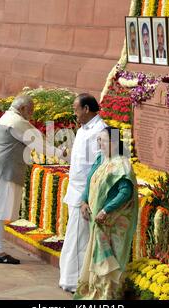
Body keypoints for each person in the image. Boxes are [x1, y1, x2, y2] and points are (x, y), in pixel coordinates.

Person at [0, 95, 51, 264]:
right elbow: (38, 142)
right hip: (4, 171)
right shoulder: (16, 121)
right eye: (30, 110)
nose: (31, 114)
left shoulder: (8, 117)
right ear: (23, 108)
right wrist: (62, 154)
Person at [74, 127, 138, 300]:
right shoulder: (101, 159)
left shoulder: (121, 165)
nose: (99, 144)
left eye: (102, 140)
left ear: (114, 142)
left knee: (109, 259)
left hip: (112, 222)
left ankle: (107, 296)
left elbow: (126, 192)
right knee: (98, 257)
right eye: (98, 140)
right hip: (98, 220)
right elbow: (90, 179)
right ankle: (95, 291)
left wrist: (105, 210)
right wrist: (84, 200)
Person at [59, 93, 107, 293]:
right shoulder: (83, 129)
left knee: (79, 238)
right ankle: (71, 278)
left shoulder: (103, 129)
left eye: (75, 109)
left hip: (87, 193)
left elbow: (104, 165)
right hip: (75, 189)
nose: (74, 113)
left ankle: (76, 281)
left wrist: (87, 197)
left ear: (87, 109)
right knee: (74, 236)